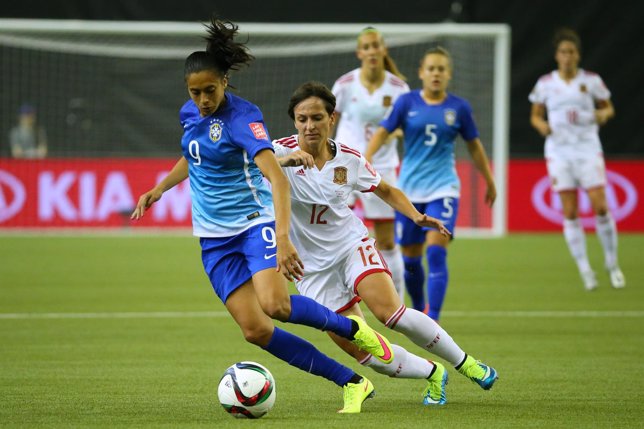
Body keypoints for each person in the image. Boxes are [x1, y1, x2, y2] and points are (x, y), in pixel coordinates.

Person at [130, 16, 396, 414]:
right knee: (255, 330)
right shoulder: (190, 113)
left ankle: (351, 327)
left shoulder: (243, 118)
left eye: (209, 90)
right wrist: (161, 188)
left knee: (277, 306)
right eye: (195, 92)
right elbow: (194, 156)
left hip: (254, 224)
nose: (203, 100)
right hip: (213, 239)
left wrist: (284, 238)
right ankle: (352, 381)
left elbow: (277, 178)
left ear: (224, 81)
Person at [273, 81, 498, 406]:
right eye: (302, 119)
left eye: (317, 118)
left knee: (391, 313)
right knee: (366, 351)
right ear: (294, 121)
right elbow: (240, 164)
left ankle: (468, 363)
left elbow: (386, 190)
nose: (310, 126)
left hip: (350, 247)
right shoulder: (276, 152)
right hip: (310, 270)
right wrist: (282, 162)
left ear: (331, 118)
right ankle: (433, 373)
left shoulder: (348, 160)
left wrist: (416, 216)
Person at [365, 46, 496, 322]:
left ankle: (433, 318)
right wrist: (364, 159)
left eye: (441, 69)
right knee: (411, 259)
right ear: (421, 73)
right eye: (431, 68)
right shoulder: (406, 103)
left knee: (436, 251)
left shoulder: (459, 108)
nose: (436, 73)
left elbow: (474, 146)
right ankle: (420, 306)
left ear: (448, 75)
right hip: (410, 192)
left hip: (444, 189)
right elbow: (382, 132)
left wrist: (489, 179)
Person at [529, 28, 625, 291]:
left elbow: (609, 107)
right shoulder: (546, 83)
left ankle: (611, 263)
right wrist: (542, 126)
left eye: (571, 52)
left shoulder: (591, 81)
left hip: (587, 149)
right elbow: (535, 114)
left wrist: (602, 115)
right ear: (557, 56)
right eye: (563, 52)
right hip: (559, 153)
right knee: (570, 212)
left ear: (578, 55)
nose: (567, 57)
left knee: (601, 206)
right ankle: (585, 269)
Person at [331, 27, 410, 302]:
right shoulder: (344, 85)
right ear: (359, 52)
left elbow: (407, 127)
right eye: (367, 46)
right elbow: (328, 123)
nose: (372, 51)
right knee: (334, 232)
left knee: (387, 240)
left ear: (383, 49)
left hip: (382, 166)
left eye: (376, 45)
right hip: (343, 165)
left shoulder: (399, 88)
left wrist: (393, 132)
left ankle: (397, 303)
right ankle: (340, 297)